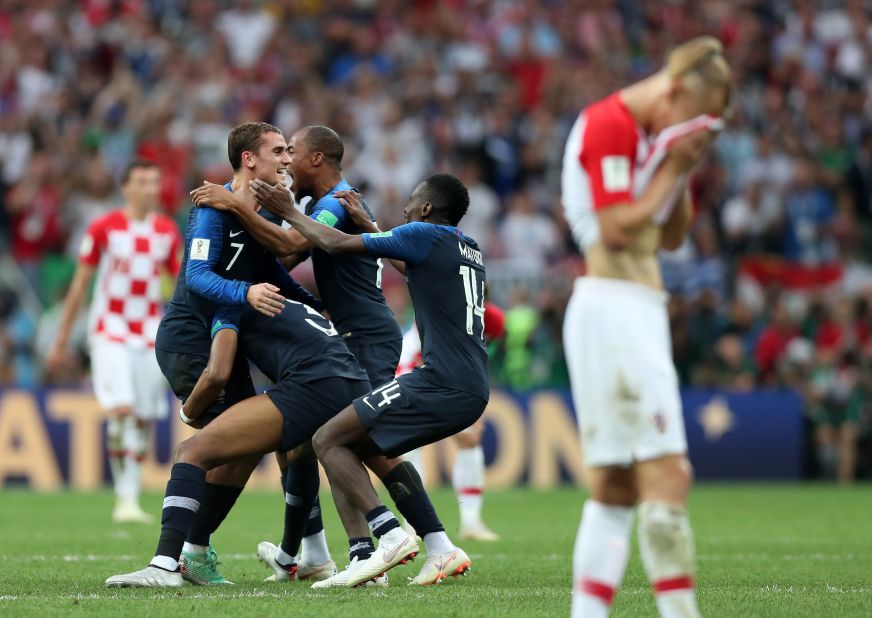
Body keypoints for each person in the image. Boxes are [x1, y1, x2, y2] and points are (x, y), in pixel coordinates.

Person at [192, 126, 460, 587]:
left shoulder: (336, 200)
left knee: (355, 442)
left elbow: (294, 247)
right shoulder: (319, 206)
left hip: (366, 337)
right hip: (346, 334)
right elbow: (283, 258)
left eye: (292, 152)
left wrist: (240, 206)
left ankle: (430, 543)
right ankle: (308, 552)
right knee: (299, 439)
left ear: (315, 160)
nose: (286, 160)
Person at [560, 36, 731, 618]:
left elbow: (672, 234)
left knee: (615, 487)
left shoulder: (642, 139)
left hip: (616, 311)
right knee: (668, 475)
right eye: (695, 115)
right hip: (618, 309)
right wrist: (673, 167)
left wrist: (678, 167)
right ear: (676, 90)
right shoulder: (609, 123)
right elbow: (617, 230)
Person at [249, 172, 487, 588]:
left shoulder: (420, 233)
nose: (406, 208)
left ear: (427, 210)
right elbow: (409, 264)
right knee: (356, 440)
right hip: (470, 384)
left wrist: (289, 211)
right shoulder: (468, 246)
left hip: (439, 380)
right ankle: (437, 548)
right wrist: (372, 226)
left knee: (327, 438)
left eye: (412, 202)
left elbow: (335, 243)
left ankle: (386, 537)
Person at [155, 121, 328, 585]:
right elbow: (197, 277)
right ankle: (182, 553)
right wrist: (246, 292)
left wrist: (319, 312)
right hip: (191, 340)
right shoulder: (212, 209)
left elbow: (276, 271)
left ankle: (192, 550)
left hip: (224, 340)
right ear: (249, 159)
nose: (288, 159)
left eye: (290, 150)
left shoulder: (260, 216)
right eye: (278, 151)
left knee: (248, 446)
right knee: (224, 447)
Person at [104, 299, 372, 588]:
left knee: (191, 451)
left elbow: (216, 373)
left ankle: (166, 562)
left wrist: (187, 411)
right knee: (306, 452)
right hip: (346, 376)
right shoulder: (291, 297)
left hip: (311, 385)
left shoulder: (235, 297)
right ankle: (356, 551)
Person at [46, 160, 181, 524]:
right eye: (141, 182)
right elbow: (80, 284)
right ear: (126, 187)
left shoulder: (167, 231)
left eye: (154, 182)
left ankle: (130, 497)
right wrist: (61, 338)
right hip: (109, 327)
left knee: (140, 417)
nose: (149, 188)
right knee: (121, 409)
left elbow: (182, 285)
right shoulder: (104, 227)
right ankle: (125, 499)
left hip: (149, 329)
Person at [400, 301, 506, 541]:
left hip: (451, 374)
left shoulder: (491, 317)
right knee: (410, 447)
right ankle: (411, 524)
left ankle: (471, 522)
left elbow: (480, 353)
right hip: (414, 372)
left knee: (469, 438)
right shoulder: (441, 308)